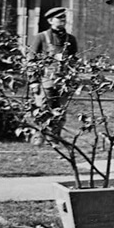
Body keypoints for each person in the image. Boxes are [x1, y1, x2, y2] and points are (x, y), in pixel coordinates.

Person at [30, 8, 79, 143]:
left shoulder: (71, 39)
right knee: (43, 108)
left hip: (63, 81)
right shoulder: (41, 37)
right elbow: (31, 60)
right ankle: (38, 138)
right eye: (59, 18)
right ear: (51, 21)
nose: (62, 20)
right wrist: (33, 81)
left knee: (60, 111)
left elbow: (74, 60)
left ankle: (54, 138)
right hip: (46, 80)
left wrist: (72, 79)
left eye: (64, 18)